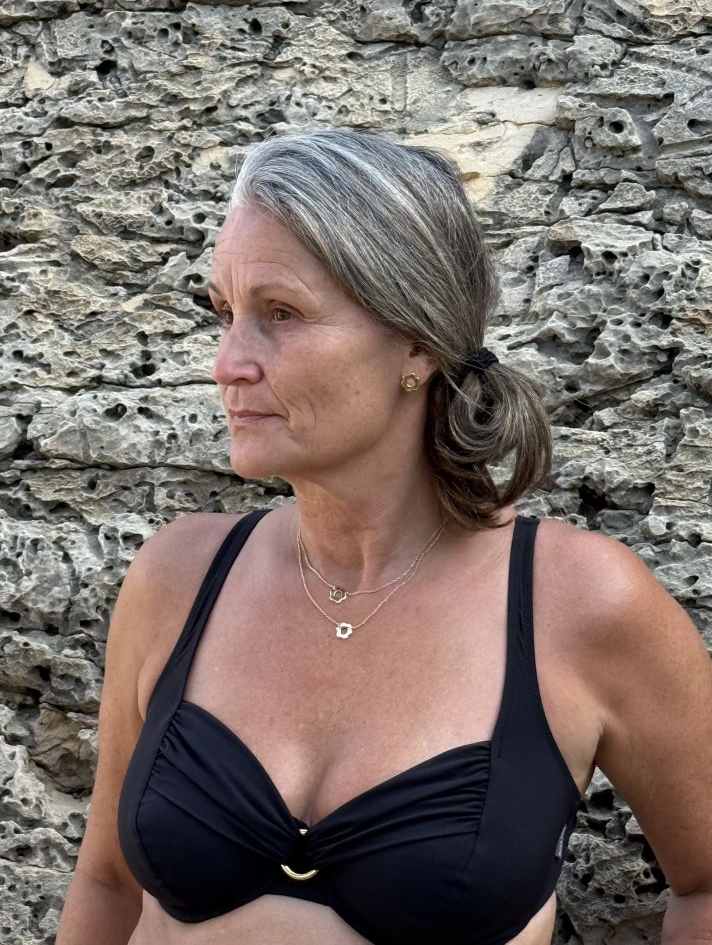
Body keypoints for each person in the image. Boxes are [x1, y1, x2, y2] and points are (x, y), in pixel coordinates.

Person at [56, 127, 712, 945]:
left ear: (416, 342)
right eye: (225, 313)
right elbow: (107, 883)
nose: (228, 363)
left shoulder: (580, 603)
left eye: (281, 314)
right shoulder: (181, 577)